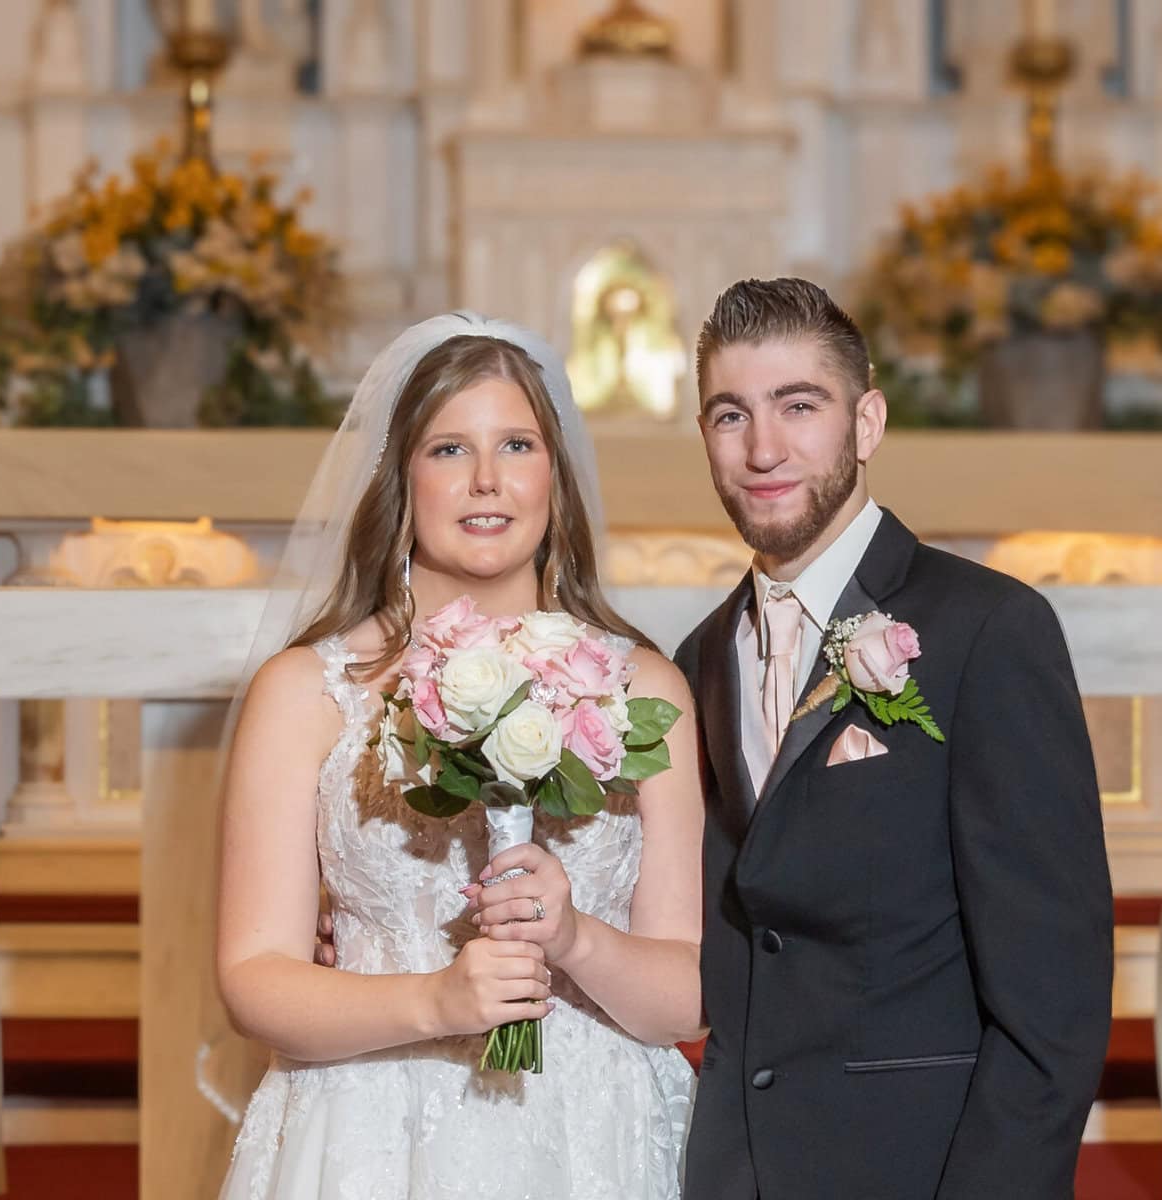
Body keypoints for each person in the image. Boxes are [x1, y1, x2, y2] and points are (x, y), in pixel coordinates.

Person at [215, 313, 703, 1199]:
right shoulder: (306, 694)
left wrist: (576, 941)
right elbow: (254, 979)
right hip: (370, 1129)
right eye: (448, 450)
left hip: (595, 1132)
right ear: (400, 480)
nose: (487, 480)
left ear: (556, 474)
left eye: (516, 444)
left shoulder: (648, 690)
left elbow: (690, 989)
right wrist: (434, 1001)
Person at [673, 278, 1114, 1199]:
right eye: (729, 414)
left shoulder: (988, 630)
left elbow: (1053, 1011)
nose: (763, 448)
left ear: (866, 424)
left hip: (919, 1170)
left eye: (800, 406)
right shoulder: (700, 657)